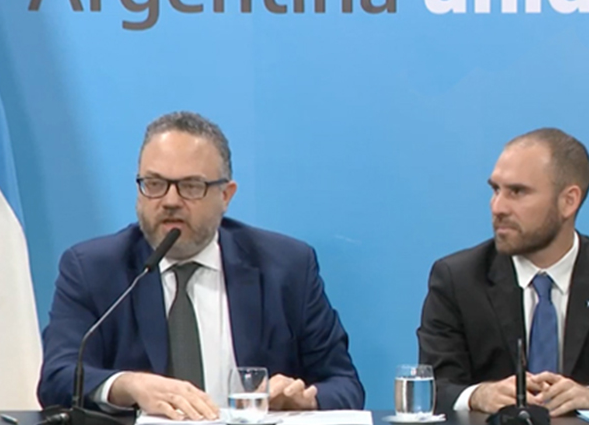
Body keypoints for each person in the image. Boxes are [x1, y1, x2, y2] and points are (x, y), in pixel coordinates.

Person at [38, 111, 364, 419]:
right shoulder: (93, 269)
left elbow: (344, 384)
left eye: (191, 186)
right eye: (154, 184)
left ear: (226, 195)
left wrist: (305, 399)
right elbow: (57, 378)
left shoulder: (286, 267)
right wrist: (128, 384)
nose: (170, 201)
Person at [417, 128, 589, 416]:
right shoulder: (458, 279)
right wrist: (479, 395)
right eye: (495, 190)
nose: (498, 207)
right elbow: (434, 385)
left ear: (569, 201)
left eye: (517, 192)